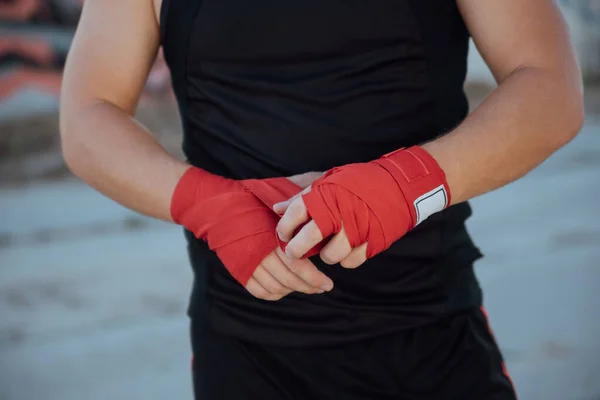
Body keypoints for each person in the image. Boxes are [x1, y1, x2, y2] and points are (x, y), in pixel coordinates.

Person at [59, 0, 584, 398]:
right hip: (246, 354)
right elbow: (88, 115)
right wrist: (207, 203)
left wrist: (404, 185)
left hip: (430, 338)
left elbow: (549, 87)